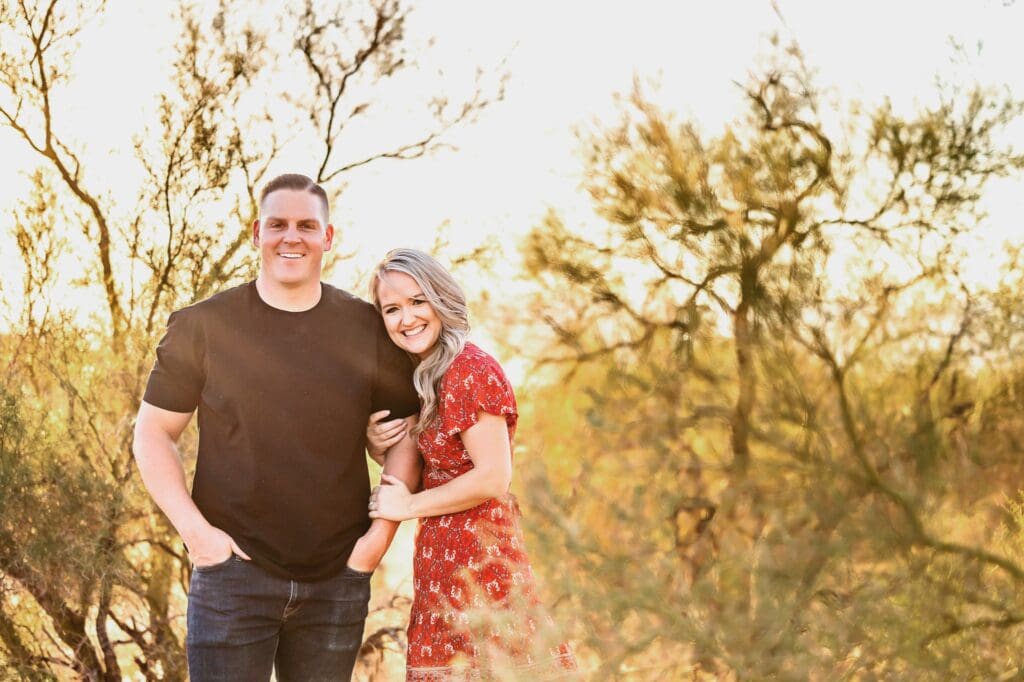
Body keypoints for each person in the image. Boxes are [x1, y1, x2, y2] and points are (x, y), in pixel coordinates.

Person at [132, 174, 421, 681]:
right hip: (231, 578)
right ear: (256, 232)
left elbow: (406, 433)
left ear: (328, 237)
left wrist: (377, 541)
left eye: (308, 225)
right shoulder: (203, 326)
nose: (293, 237)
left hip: (337, 578)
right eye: (278, 224)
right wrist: (198, 537)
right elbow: (153, 433)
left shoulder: (367, 328)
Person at [365, 248, 578, 680]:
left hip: (483, 568)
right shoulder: (429, 376)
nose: (406, 318)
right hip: (442, 569)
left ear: (441, 299)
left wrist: (407, 507)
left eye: (417, 301)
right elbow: (439, 461)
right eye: (392, 309)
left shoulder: (468, 369)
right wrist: (375, 444)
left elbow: (493, 476)